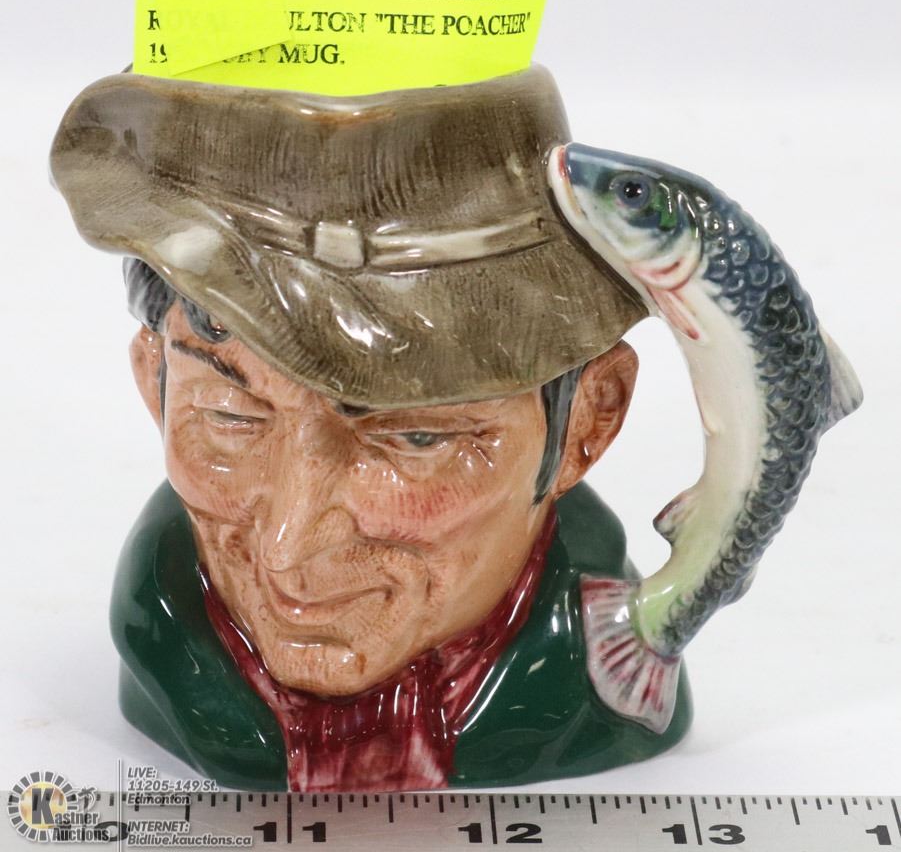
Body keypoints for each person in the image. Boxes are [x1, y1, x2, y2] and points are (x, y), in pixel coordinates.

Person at [50, 65, 691, 792]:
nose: (289, 545)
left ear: (587, 421)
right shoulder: (164, 643)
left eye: (416, 440)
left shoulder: (610, 682)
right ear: (153, 384)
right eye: (230, 418)